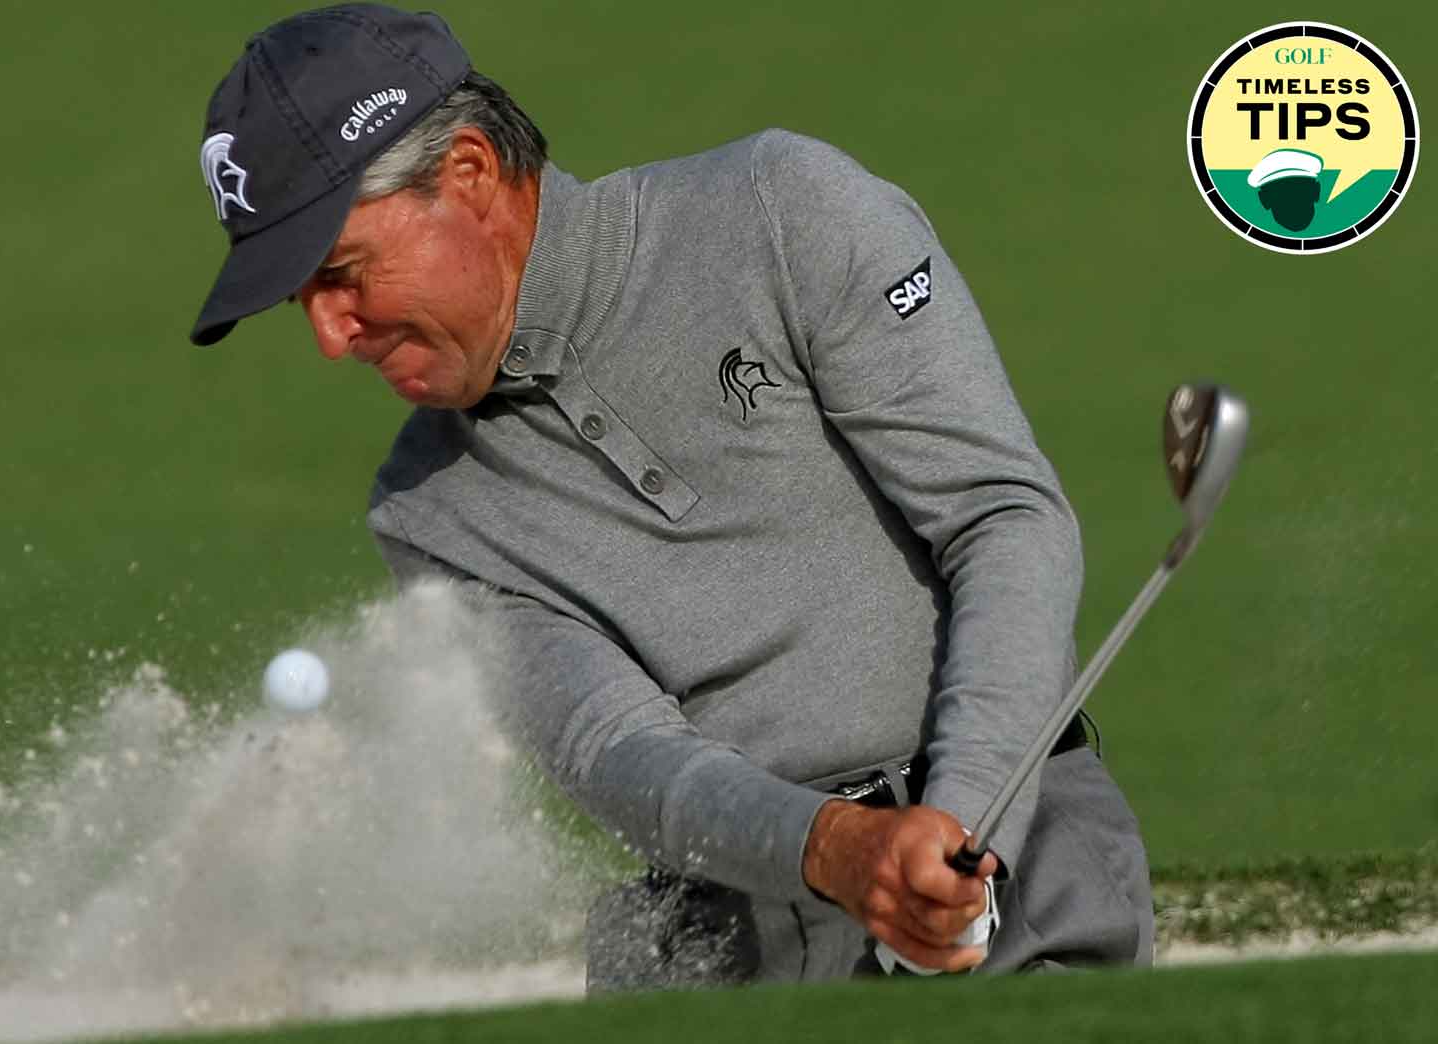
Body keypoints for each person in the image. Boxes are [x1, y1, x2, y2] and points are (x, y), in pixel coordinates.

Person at [187, 3, 1155, 987]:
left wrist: (960, 829)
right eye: (301, 301)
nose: (327, 335)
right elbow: (614, 751)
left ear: (469, 175)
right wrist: (838, 850)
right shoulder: (424, 510)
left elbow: (1001, 516)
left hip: (1020, 863)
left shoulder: (781, 210)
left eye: (340, 274)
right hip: (728, 941)